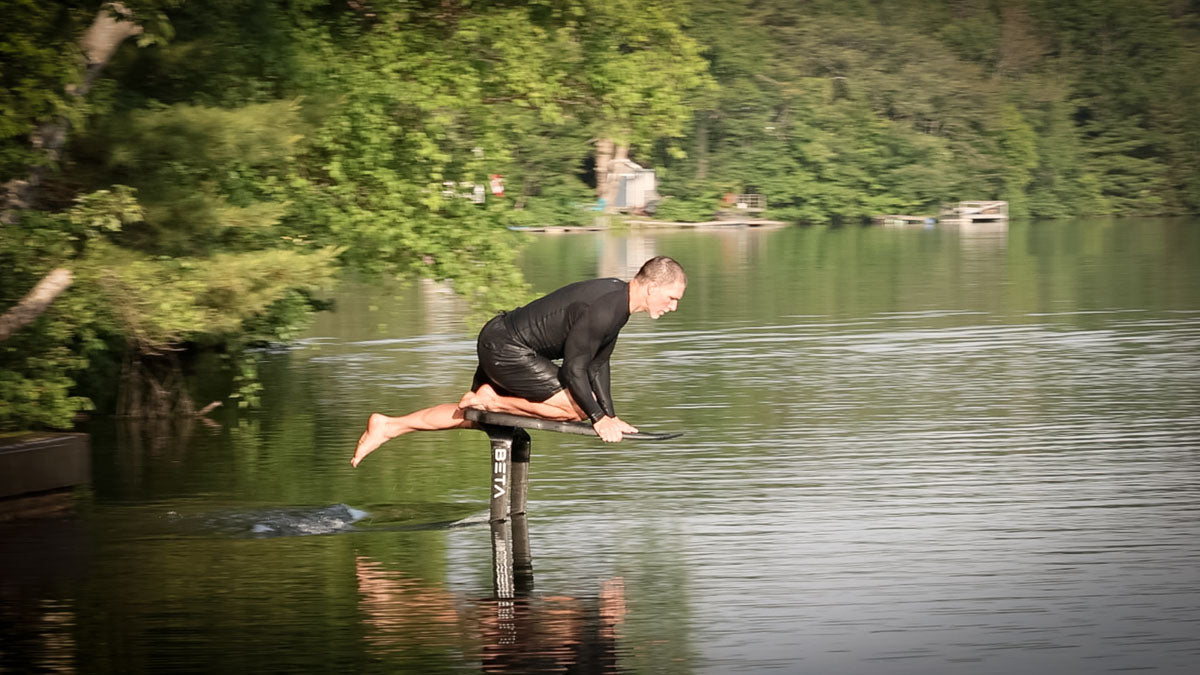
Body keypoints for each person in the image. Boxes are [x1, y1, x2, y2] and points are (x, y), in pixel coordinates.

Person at [350, 256, 687, 467]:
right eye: (671, 298)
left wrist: (612, 415)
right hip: (507, 348)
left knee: (476, 417)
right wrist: (598, 418)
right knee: (576, 410)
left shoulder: (618, 302)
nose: (673, 307)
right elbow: (574, 368)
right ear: (652, 286)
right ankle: (492, 398)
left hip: (502, 341)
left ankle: (390, 425)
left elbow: (598, 365)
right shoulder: (607, 308)